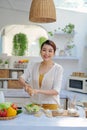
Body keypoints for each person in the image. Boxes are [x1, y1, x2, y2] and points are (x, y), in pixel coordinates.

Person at [19, 40, 63, 110]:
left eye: (50, 51)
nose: (46, 53)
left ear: (54, 53)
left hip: (51, 106)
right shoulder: (33, 65)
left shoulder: (58, 68)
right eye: (44, 50)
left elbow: (56, 91)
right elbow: (21, 78)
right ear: (40, 52)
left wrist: (37, 91)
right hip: (34, 105)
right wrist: (26, 85)